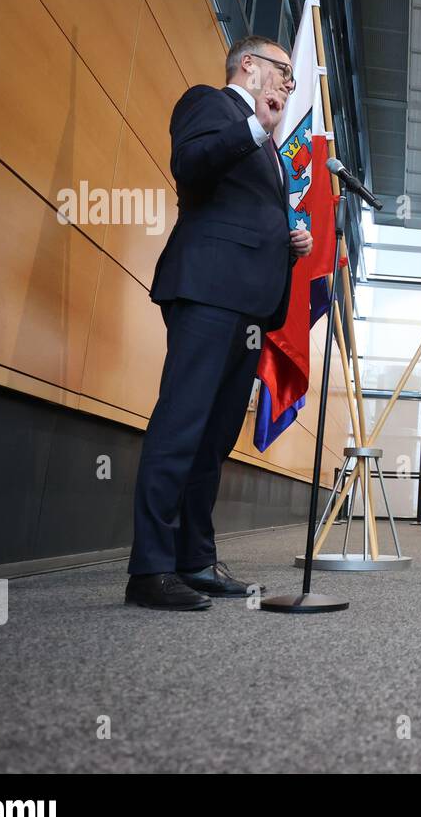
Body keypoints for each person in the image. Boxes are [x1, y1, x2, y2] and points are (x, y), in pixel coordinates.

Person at [126, 34, 313, 611]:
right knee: (182, 424)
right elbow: (192, 166)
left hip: (252, 305)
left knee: (214, 439)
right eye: (283, 71)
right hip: (207, 291)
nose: (288, 83)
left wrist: (290, 242)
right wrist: (256, 127)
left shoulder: (267, 145)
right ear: (249, 66)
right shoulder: (209, 104)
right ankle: (150, 568)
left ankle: (194, 559)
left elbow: (247, 209)